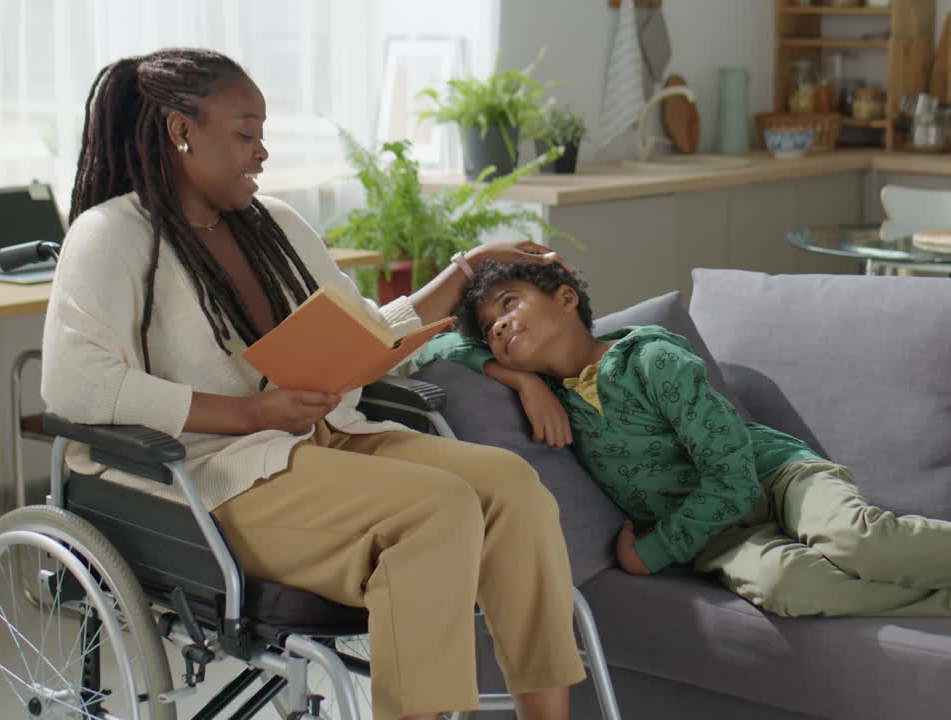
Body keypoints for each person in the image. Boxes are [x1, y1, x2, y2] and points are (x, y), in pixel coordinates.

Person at [41, 48, 585, 720]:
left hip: (325, 437)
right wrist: (250, 412)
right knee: (436, 508)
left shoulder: (275, 226)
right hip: (216, 473)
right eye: (245, 133)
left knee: (512, 486)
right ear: (182, 131)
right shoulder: (111, 236)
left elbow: (366, 333)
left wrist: (467, 269)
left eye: (262, 134)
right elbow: (78, 388)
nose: (262, 153)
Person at [415, 260, 951, 618]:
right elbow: (429, 346)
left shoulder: (652, 360)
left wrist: (657, 549)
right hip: (719, 535)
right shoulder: (549, 394)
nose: (501, 326)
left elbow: (733, 476)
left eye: (511, 303)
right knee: (788, 588)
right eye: (492, 327)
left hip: (774, 480)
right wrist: (517, 380)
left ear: (565, 297)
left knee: (858, 542)